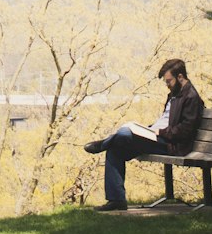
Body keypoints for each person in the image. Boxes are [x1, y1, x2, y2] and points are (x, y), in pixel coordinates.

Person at [83, 57, 204, 211]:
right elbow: (166, 120)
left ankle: (102, 143)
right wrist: (149, 129)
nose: (167, 85)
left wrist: (160, 131)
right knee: (115, 149)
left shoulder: (191, 97)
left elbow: (185, 131)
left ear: (180, 77)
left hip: (171, 144)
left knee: (125, 134)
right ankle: (117, 200)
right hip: (156, 136)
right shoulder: (174, 93)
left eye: (169, 81)